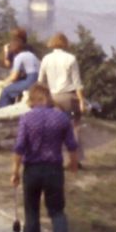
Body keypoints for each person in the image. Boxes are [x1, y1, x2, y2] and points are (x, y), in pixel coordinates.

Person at [11, 83, 78, 232]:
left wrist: (15, 171)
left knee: (31, 212)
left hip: (32, 169)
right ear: (48, 97)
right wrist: (73, 164)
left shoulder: (26, 118)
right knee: (57, 209)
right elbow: (72, 145)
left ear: (33, 100)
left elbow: (19, 148)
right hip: (54, 169)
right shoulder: (62, 118)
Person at [38, 32, 87, 164]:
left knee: (54, 128)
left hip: (53, 98)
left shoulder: (46, 59)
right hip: (69, 98)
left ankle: (52, 157)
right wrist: (81, 101)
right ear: (65, 43)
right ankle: (75, 159)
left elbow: (40, 81)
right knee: (74, 127)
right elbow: (77, 83)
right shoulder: (71, 59)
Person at [0, 37, 40, 107]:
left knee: (6, 91)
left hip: (30, 81)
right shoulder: (31, 54)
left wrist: (4, 81)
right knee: (13, 89)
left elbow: (14, 77)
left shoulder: (19, 57)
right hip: (37, 80)